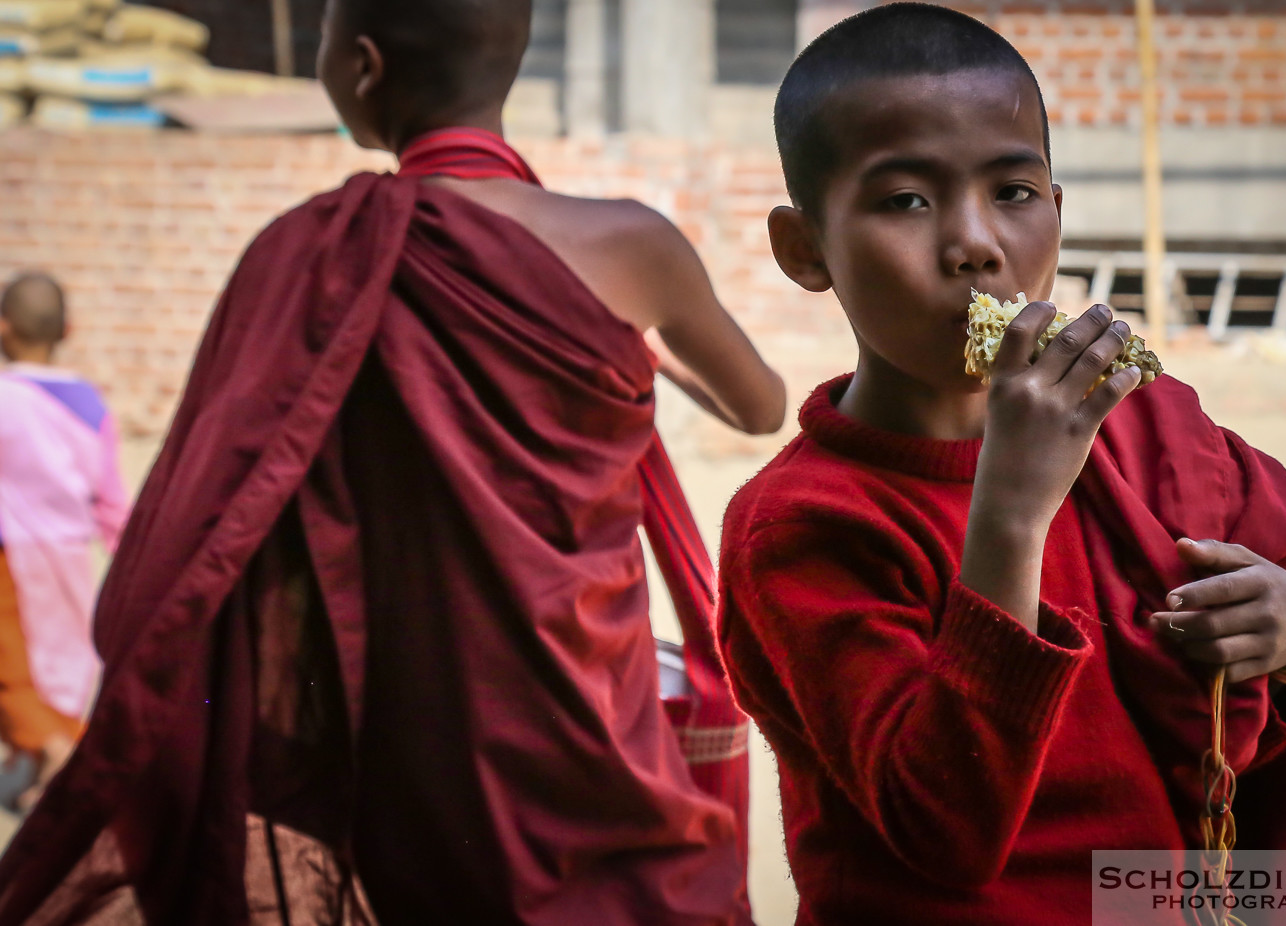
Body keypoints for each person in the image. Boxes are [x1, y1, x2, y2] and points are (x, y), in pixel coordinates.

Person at [0, 0, 783, 923]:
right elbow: (761, 405)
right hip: (592, 706)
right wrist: (646, 359)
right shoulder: (630, 243)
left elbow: (187, 544)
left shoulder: (312, 256)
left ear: (361, 68)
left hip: (414, 730)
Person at [716, 5, 1286, 924]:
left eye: (1015, 193)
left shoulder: (1147, 434)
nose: (977, 245)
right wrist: (1012, 516)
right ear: (805, 249)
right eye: (905, 200)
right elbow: (943, 826)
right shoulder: (801, 524)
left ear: (1059, 215)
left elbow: (1252, 722)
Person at [0, 273, 127, 811]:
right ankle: (41, 758)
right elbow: (113, 500)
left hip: (12, 558)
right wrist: (128, 559)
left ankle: (51, 755)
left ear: (3, 329)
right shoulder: (90, 404)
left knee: (16, 665)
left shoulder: (5, 398)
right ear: (68, 330)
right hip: (72, 558)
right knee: (64, 656)